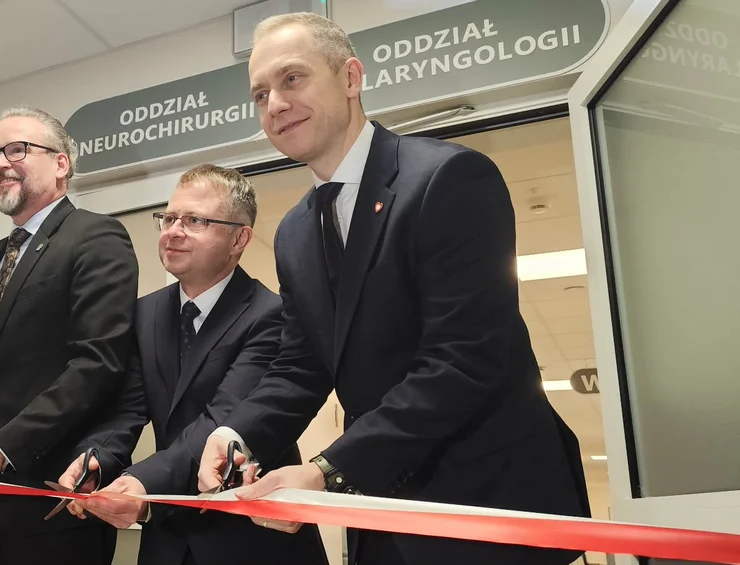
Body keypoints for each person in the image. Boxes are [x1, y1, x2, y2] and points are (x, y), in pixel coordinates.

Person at [195, 12, 590, 565]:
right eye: (260, 95)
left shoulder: (449, 178)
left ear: (351, 77)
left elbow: (463, 360)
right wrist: (237, 433)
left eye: (292, 79)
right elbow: (301, 366)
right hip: (383, 515)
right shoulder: (294, 232)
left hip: (487, 508)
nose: (275, 104)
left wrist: (326, 471)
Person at [56, 165, 328, 565]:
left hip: (251, 535)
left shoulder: (271, 315)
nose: (174, 231)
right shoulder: (144, 313)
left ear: (239, 238)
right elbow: (126, 410)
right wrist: (97, 458)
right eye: (169, 218)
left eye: (195, 220)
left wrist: (140, 480)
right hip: (168, 539)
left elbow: (222, 417)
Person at [0, 106, 138, 565]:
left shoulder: (97, 237)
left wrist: (0, 450)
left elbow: (96, 365)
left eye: (17, 150)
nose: (0, 163)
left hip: (55, 502)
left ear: (61, 164)